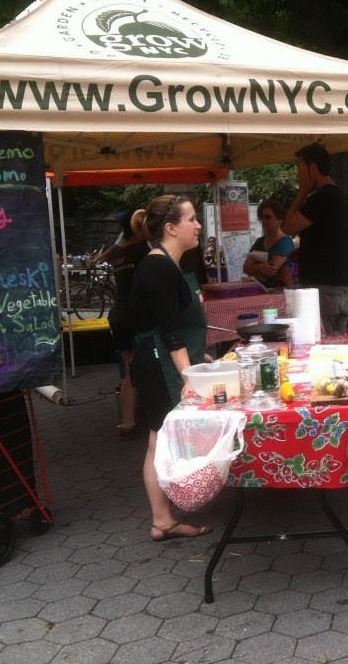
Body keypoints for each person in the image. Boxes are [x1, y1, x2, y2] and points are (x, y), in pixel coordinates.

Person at [129, 195, 211, 541]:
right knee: (157, 438)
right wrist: (187, 374)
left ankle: (164, 516)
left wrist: (199, 360)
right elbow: (169, 331)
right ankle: (162, 519)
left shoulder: (170, 264)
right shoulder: (158, 266)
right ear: (171, 227)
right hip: (159, 360)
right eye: (191, 219)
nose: (198, 226)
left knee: (159, 437)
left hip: (167, 358)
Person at [283, 143, 348, 335]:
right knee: (337, 347)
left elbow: (287, 227)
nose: (298, 175)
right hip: (339, 290)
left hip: (322, 291)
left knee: (324, 350)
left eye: (300, 167)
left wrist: (302, 192)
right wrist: (304, 251)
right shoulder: (342, 197)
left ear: (312, 168)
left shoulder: (321, 198)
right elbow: (331, 240)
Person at [106, 208, 150, 439]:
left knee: (129, 371)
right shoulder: (144, 252)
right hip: (135, 317)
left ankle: (127, 421)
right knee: (140, 369)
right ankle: (142, 420)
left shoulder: (121, 254)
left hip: (118, 315)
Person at [242, 198, 296, 288]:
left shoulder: (285, 242)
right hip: (261, 292)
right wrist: (259, 267)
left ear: (280, 219)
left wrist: (253, 265)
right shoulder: (260, 241)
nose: (263, 220)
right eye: (261, 217)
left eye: (268, 217)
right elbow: (245, 267)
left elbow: (270, 272)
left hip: (280, 293)